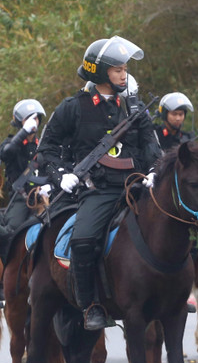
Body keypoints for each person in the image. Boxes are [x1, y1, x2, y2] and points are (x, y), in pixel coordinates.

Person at [38, 36, 162, 330]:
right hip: (99, 190)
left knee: (178, 221)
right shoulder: (73, 107)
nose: (124, 75)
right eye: (118, 70)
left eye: (125, 69)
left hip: (136, 187)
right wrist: (61, 175)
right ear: (101, 72)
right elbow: (46, 149)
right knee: (82, 240)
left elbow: (150, 146)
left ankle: (174, 294)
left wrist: (155, 170)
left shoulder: (134, 108)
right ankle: (91, 306)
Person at [0, 99, 47, 303]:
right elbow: (7, 153)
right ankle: (7, 280)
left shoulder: (44, 144)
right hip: (21, 198)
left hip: (44, 195)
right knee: (11, 233)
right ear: (20, 122)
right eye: (29, 118)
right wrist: (23, 133)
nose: (33, 122)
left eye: (36, 118)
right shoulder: (11, 143)